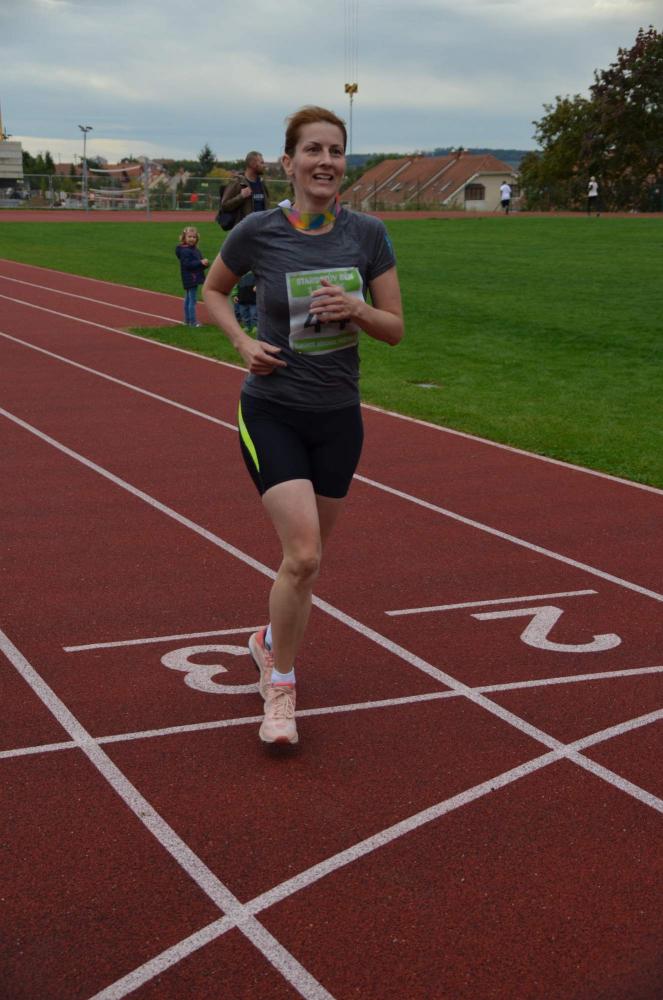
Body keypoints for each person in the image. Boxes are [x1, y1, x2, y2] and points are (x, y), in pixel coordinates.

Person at [204, 106, 404, 746]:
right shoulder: (258, 231)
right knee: (304, 555)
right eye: (313, 150)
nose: (326, 161)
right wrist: (241, 342)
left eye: (336, 151)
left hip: (339, 417)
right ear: (288, 163)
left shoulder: (368, 234)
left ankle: (267, 639)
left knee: (308, 566)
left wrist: (357, 309)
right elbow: (213, 291)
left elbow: (395, 328)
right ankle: (281, 685)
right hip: (273, 410)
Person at [220, 151, 271, 227]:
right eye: (261, 163)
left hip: (261, 229)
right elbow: (224, 206)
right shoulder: (237, 182)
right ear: (252, 164)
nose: (264, 166)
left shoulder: (262, 183)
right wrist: (241, 196)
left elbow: (266, 206)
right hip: (244, 230)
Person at [175, 226, 209, 327]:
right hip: (191, 277)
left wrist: (205, 264)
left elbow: (198, 263)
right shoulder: (185, 251)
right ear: (184, 238)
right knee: (192, 300)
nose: (192, 239)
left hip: (193, 276)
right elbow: (187, 264)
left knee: (188, 299)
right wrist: (200, 262)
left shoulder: (195, 250)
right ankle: (193, 322)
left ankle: (187, 321)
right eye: (189, 237)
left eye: (194, 237)